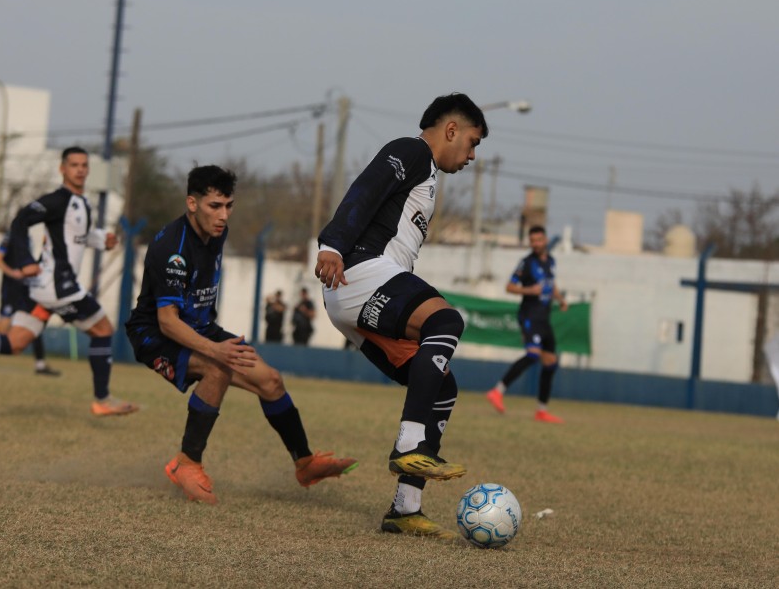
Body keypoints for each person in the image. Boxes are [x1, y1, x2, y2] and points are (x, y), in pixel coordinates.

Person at [125, 165, 357, 504]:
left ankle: (304, 463)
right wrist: (216, 351)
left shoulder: (217, 232)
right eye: (214, 206)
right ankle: (186, 463)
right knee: (216, 368)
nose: (223, 216)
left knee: (271, 381)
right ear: (192, 203)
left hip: (200, 327)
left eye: (228, 206)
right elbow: (167, 322)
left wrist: (215, 343)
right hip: (157, 335)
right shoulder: (172, 249)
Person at [315, 93, 488, 539]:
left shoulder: (426, 173)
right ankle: (410, 444)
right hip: (357, 273)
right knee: (446, 321)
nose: (471, 156)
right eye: (471, 143)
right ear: (451, 129)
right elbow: (365, 188)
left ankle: (405, 508)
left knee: (441, 386)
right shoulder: (411, 151)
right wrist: (332, 244)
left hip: (357, 295)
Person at [0, 146, 138, 417]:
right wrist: (24, 260)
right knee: (103, 329)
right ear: (62, 169)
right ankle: (102, 398)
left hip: (44, 290)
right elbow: (21, 219)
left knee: (15, 342)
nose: (80, 169)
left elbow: (74, 237)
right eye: (74, 165)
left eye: (84, 165)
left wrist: (100, 239)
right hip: (59, 287)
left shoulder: (81, 203)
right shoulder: (58, 200)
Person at [485, 225, 568, 423]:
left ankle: (541, 410)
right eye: (532, 241)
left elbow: (551, 284)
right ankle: (498, 391)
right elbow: (509, 286)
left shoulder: (551, 262)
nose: (536, 244)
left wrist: (560, 299)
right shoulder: (526, 263)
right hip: (530, 315)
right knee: (533, 354)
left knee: (550, 363)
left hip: (544, 317)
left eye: (539, 240)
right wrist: (529, 290)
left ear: (545, 240)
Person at [0, 232, 60, 376]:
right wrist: (12, 273)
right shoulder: (10, 237)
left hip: (25, 290)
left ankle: (40, 365)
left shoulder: (28, 238)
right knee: (1, 328)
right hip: (9, 291)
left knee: (34, 322)